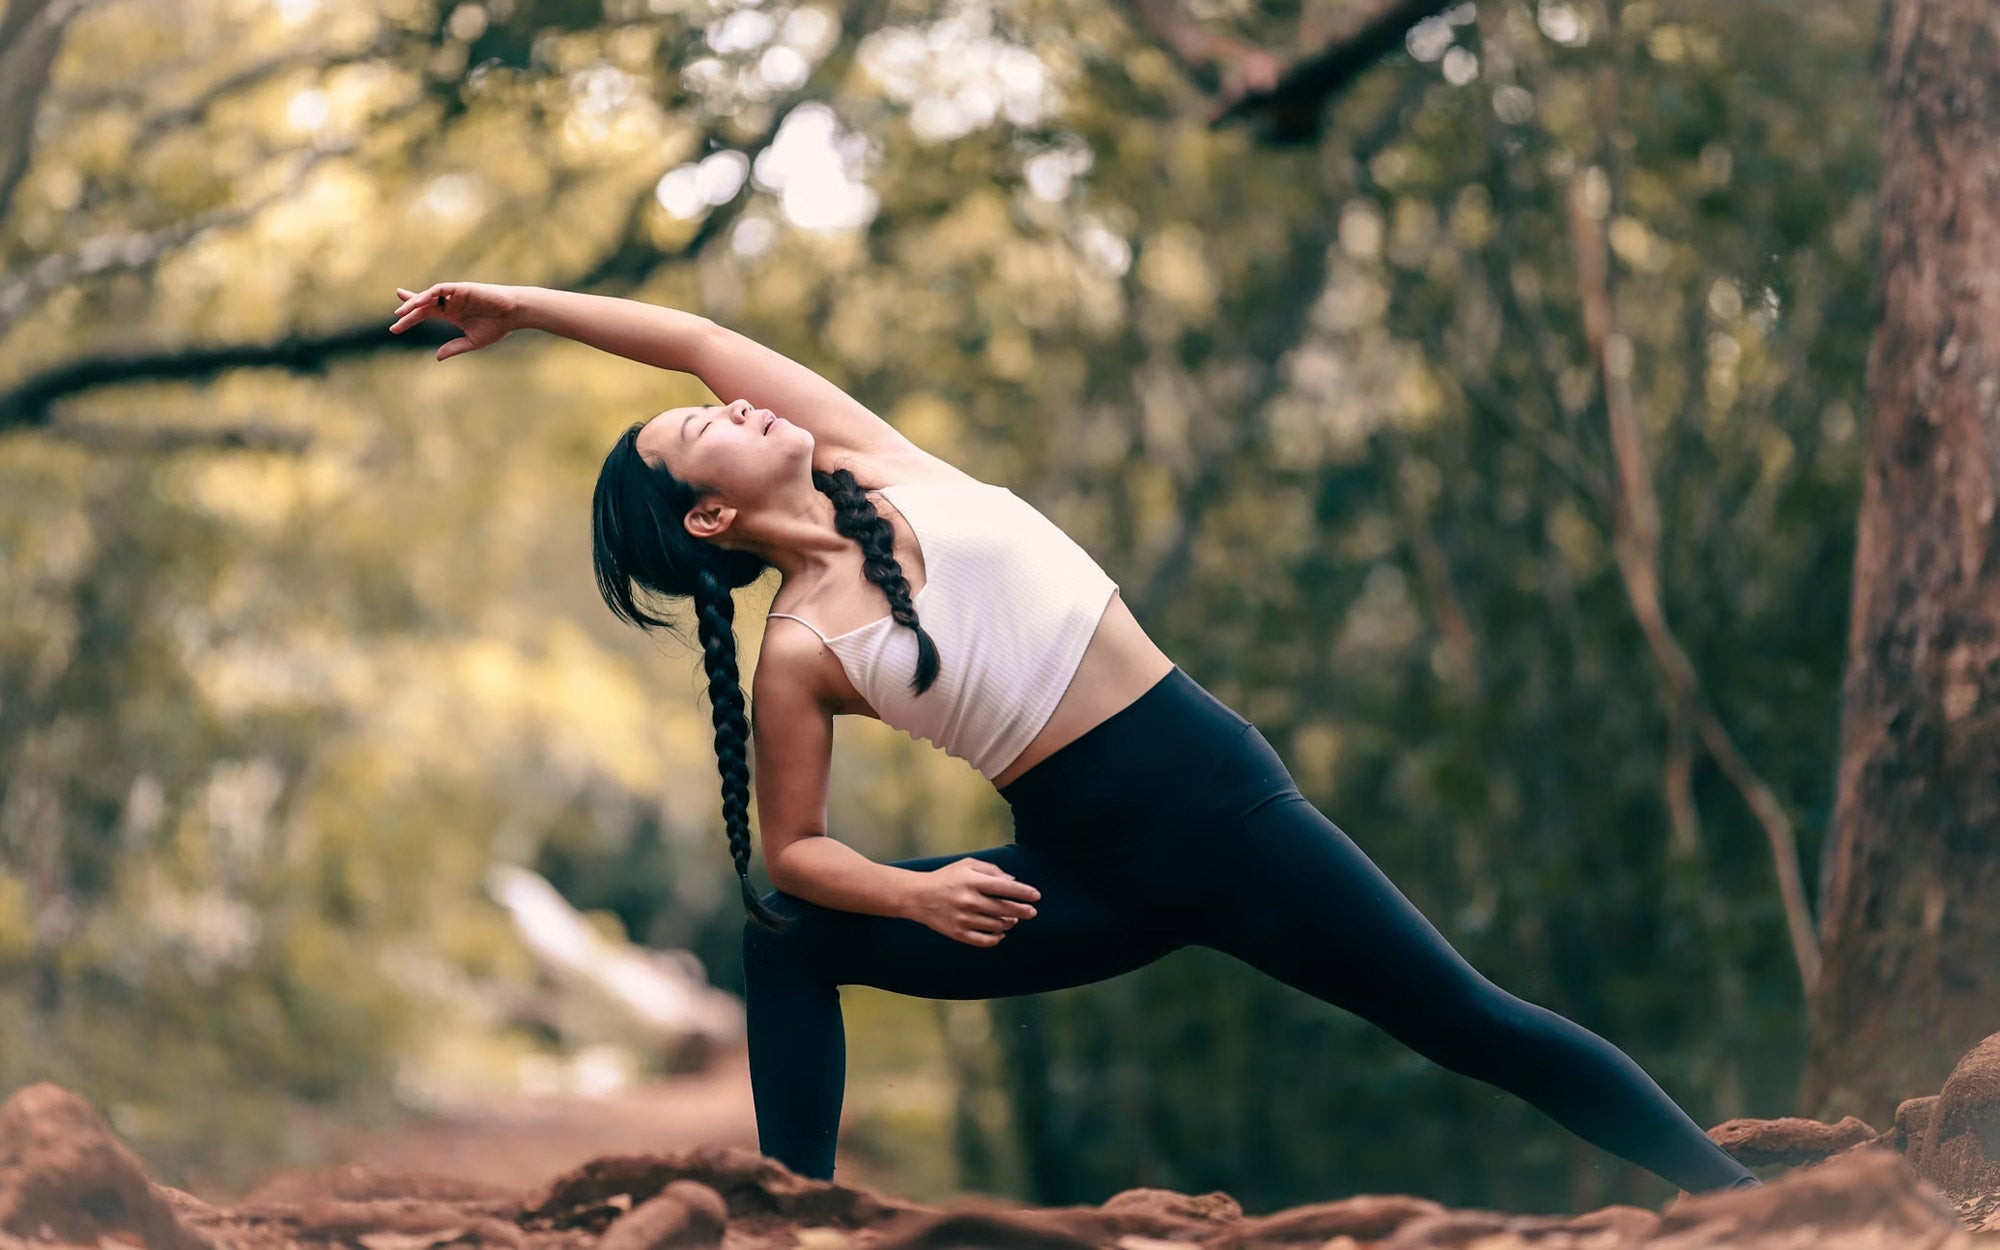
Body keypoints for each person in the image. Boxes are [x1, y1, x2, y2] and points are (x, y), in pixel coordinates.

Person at [387, 281, 1764, 1197]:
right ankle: (788, 1218)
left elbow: (686, 334)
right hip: (1082, 876)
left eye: (720, 402)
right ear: (706, 520)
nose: (734, 399)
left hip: (1226, 814)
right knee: (779, 939)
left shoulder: (873, 458)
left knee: (1474, 1021)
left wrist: (519, 304)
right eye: (706, 431)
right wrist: (919, 889)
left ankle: (1762, 1209)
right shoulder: (800, 649)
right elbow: (795, 854)